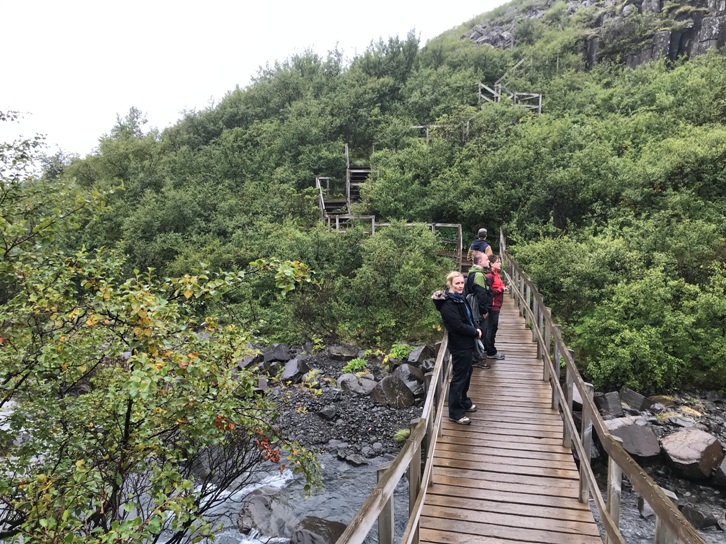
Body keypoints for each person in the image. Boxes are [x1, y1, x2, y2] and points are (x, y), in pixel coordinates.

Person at [438, 271, 482, 425]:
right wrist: (475, 331)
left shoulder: (460, 298)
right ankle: (455, 413)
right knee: (459, 377)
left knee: (467, 373)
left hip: (468, 343)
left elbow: (469, 317)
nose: (460, 286)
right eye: (457, 283)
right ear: (450, 284)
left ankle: (464, 401)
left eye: (462, 283)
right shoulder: (448, 303)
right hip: (459, 345)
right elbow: (456, 325)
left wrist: (475, 327)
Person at [466, 252, 492, 369]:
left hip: (474, 307)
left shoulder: (475, 273)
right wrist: (484, 310)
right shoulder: (478, 275)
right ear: (480, 262)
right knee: (480, 331)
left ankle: (476, 357)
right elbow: (481, 294)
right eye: (486, 259)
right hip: (477, 309)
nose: (488, 261)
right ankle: (476, 359)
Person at [484, 254, 508, 360]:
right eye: (498, 262)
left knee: (492, 328)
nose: (500, 263)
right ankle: (491, 352)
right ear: (492, 263)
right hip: (493, 306)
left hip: (497, 304)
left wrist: (502, 287)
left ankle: (488, 348)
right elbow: (488, 291)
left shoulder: (496, 274)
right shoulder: (490, 276)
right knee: (492, 328)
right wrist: (500, 290)